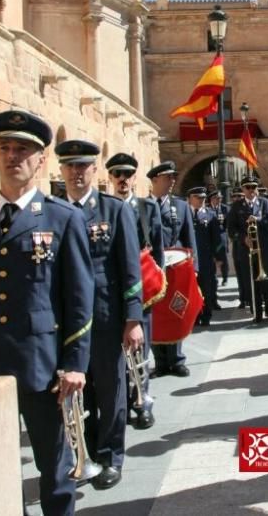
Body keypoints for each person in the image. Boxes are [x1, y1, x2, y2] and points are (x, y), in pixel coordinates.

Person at [0, 110, 94, 515]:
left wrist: (75, 362)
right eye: (4, 148)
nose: (12, 156)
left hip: (43, 369)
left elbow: (80, 297)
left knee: (55, 469)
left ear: (41, 160)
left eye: (22, 149)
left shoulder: (63, 219)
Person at [54, 140, 144, 490]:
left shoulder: (114, 211)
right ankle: (85, 453)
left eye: (83, 166)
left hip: (107, 318)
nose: (77, 173)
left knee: (110, 389)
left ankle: (110, 456)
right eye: (70, 167)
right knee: (81, 392)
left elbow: (130, 269)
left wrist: (133, 319)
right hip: (69, 322)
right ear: (61, 171)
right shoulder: (55, 212)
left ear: (94, 170)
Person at [106, 152, 163, 430]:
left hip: (141, 291)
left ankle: (142, 402)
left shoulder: (146, 208)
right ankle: (120, 404)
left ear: (134, 178)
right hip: (110, 293)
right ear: (110, 178)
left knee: (141, 351)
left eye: (127, 174)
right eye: (117, 174)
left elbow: (159, 252)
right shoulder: (102, 208)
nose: (122, 179)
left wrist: (156, 287)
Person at [146, 161, 198, 377]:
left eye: (174, 177)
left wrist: (194, 267)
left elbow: (189, 238)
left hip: (176, 268)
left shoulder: (181, 206)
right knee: (156, 313)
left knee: (177, 309)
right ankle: (160, 362)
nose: (172, 181)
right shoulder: (143, 206)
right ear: (155, 180)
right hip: (152, 269)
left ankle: (177, 360)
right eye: (168, 177)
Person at [229, 176, 268, 322]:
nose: (251, 190)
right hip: (247, 251)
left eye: (254, 187)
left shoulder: (265, 203)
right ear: (243, 189)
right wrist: (243, 238)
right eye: (248, 187)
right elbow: (231, 228)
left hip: (264, 250)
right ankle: (257, 312)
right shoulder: (237, 207)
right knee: (251, 282)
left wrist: (259, 220)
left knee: (267, 282)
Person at [189, 187, 220, 327]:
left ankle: (206, 315)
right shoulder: (185, 214)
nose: (201, 201)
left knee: (206, 289)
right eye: (198, 198)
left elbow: (216, 239)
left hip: (206, 260)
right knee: (192, 290)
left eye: (203, 198)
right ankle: (194, 317)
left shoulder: (210, 215)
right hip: (189, 260)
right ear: (190, 198)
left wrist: (217, 256)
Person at [205, 190, 227, 309]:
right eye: (216, 198)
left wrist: (217, 254)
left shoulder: (218, 211)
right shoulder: (207, 212)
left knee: (213, 278)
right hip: (204, 251)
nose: (218, 200)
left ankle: (213, 301)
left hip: (216, 245)